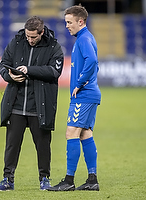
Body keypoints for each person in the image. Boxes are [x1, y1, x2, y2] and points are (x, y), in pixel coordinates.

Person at [0, 16, 64, 191]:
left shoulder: (53, 46)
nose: (30, 40)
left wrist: (29, 70)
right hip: (16, 104)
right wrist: (10, 76)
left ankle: (45, 179)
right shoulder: (17, 42)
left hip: (39, 105)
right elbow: (3, 64)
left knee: (43, 145)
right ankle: (7, 180)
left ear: (41, 32)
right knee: (12, 145)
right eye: (28, 36)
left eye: (33, 37)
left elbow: (55, 71)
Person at [47, 5, 101, 191]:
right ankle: (92, 180)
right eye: (66, 22)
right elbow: (95, 63)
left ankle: (69, 181)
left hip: (84, 96)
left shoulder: (84, 39)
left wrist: (79, 82)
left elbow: (92, 61)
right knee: (85, 133)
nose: (67, 26)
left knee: (71, 133)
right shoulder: (86, 38)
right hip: (90, 94)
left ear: (81, 21)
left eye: (70, 22)